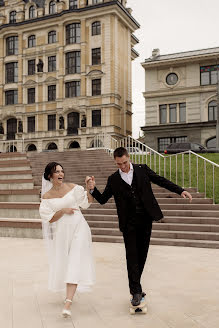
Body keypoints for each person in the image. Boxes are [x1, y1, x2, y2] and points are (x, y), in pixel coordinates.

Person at [86, 147, 192, 307]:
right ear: (115, 162)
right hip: (128, 223)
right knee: (132, 256)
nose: (122, 166)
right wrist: (92, 188)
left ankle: (136, 287)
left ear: (129, 157)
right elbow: (102, 199)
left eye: (124, 162)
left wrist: (180, 190)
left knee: (142, 255)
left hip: (146, 218)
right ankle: (135, 291)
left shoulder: (142, 169)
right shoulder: (113, 179)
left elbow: (160, 180)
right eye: (119, 164)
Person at [39, 162, 95, 318]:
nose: (61, 173)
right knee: (66, 262)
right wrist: (62, 210)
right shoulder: (47, 197)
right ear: (50, 175)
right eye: (57, 171)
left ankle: (68, 303)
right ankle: (69, 296)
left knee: (75, 261)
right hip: (62, 232)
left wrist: (89, 188)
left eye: (62, 171)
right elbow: (49, 219)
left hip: (79, 228)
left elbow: (87, 203)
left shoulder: (73, 188)